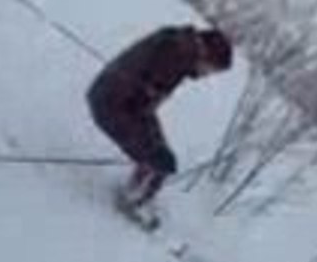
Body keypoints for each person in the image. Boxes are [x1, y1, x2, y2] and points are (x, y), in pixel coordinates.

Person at [86, 25, 233, 211]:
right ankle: (134, 201)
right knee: (161, 159)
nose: (206, 75)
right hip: (111, 103)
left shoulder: (180, 45)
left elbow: (145, 94)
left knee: (160, 156)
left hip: (113, 97)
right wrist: (145, 144)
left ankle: (135, 192)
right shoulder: (177, 55)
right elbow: (142, 97)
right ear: (206, 54)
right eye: (211, 69)